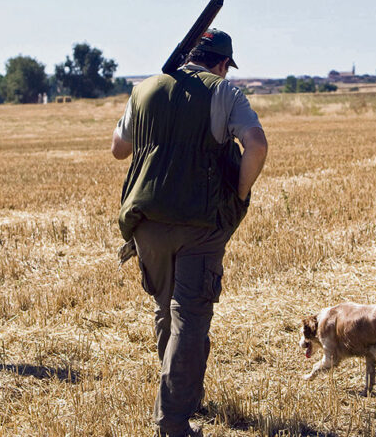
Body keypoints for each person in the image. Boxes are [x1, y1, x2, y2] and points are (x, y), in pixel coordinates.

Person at [111, 29, 268, 437]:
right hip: (200, 223)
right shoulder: (224, 93)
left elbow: (118, 149)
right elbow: (257, 145)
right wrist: (240, 190)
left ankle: (184, 396)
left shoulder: (144, 89)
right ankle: (174, 421)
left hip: (145, 221)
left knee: (166, 311)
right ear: (221, 63)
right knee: (191, 318)